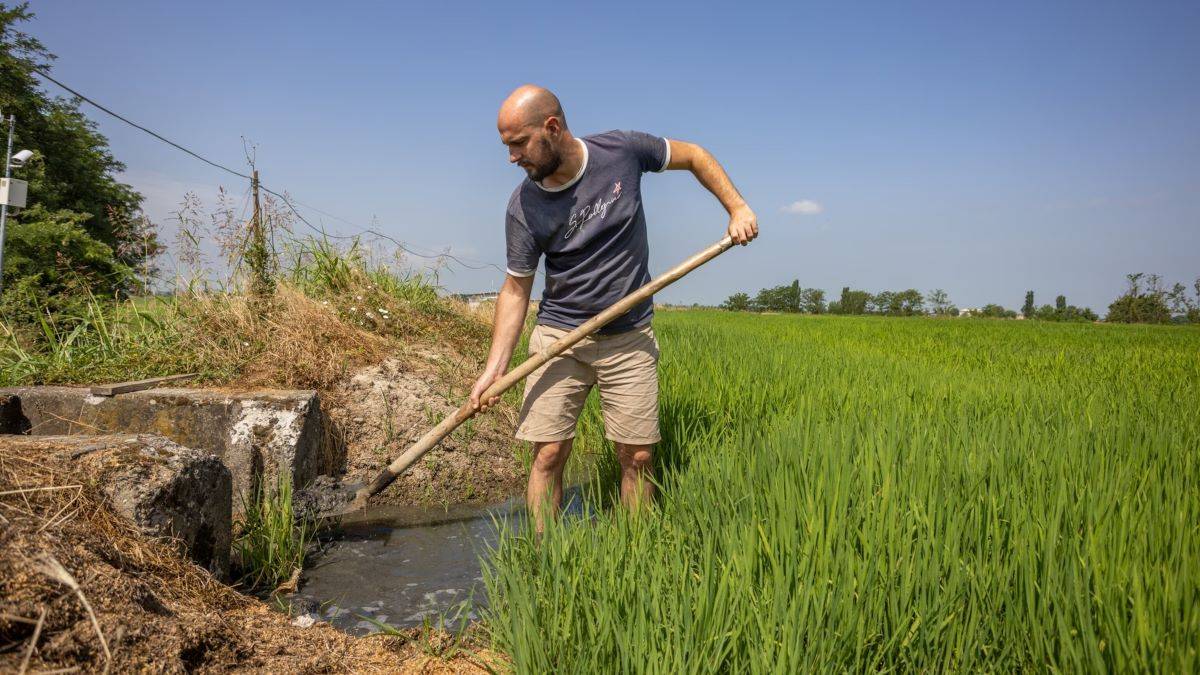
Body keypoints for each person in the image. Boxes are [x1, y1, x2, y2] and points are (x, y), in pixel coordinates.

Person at [470, 85, 757, 530]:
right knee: (548, 452)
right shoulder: (524, 207)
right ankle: (546, 558)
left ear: (552, 127)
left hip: (628, 336)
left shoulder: (622, 151)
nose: (512, 157)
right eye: (506, 145)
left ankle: (636, 554)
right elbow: (515, 290)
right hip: (560, 339)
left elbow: (696, 155)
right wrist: (494, 369)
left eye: (518, 143)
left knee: (638, 455)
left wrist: (736, 208)